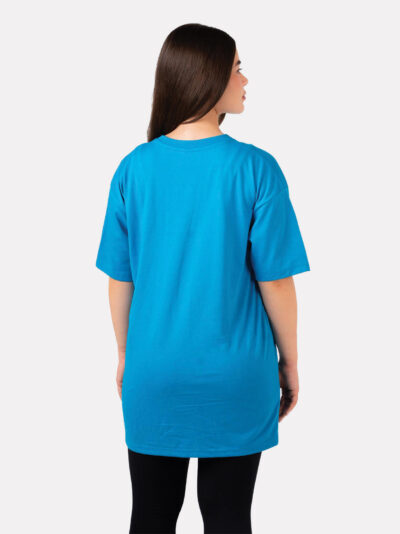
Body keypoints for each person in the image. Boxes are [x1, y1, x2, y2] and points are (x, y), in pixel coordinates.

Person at [95, 23, 310, 534]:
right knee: (230, 518)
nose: (245, 80)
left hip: (153, 372)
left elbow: (120, 280)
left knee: (150, 517)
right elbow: (276, 283)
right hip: (237, 376)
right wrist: (290, 362)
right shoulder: (257, 169)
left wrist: (126, 355)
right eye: (237, 68)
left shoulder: (133, 169)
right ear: (208, 76)